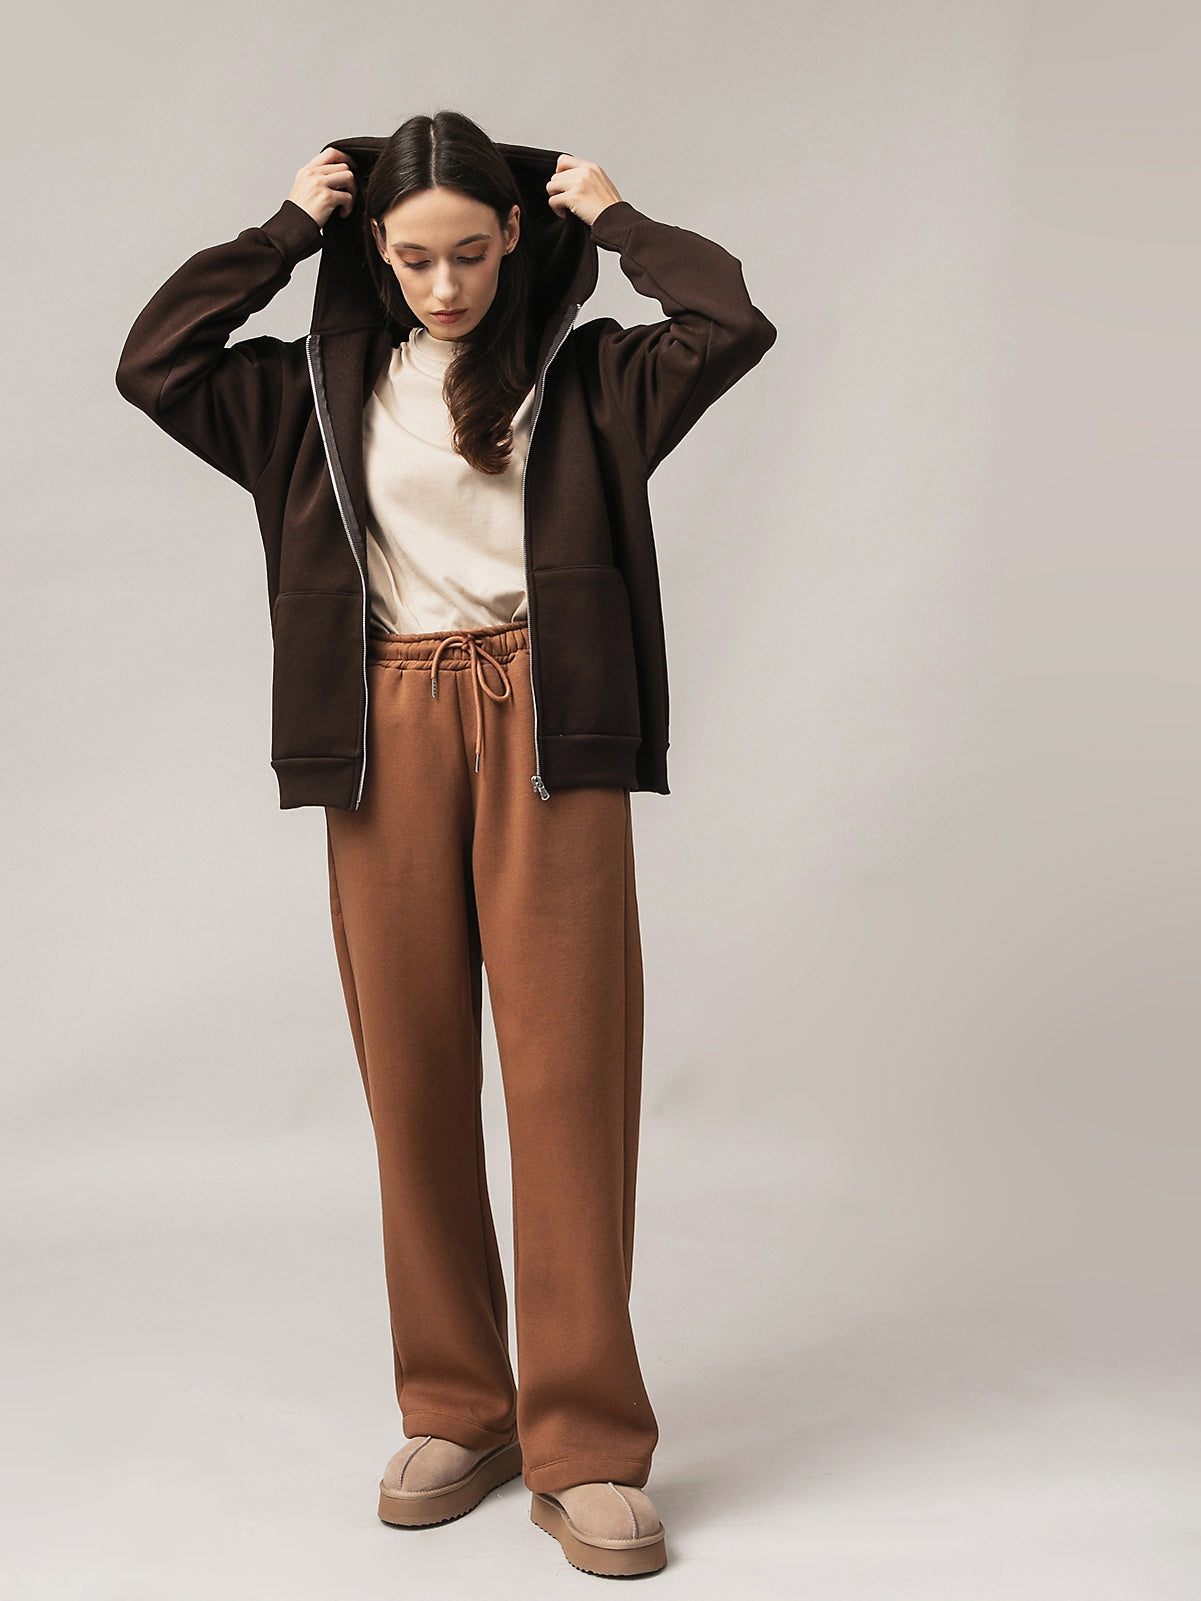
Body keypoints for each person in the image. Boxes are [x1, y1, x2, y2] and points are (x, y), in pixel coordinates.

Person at [115, 109, 776, 1579]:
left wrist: (617, 219)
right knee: (410, 1076)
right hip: (384, 729)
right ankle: (458, 1408)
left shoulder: (590, 380)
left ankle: (585, 1441)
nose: (444, 286)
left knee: (568, 1082)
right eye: (412, 259)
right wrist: (280, 235)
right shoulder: (305, 397)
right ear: (374, 254)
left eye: (470, 253)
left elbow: (729, 321)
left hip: (550, 722)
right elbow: (155, 361)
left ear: (513, 238)